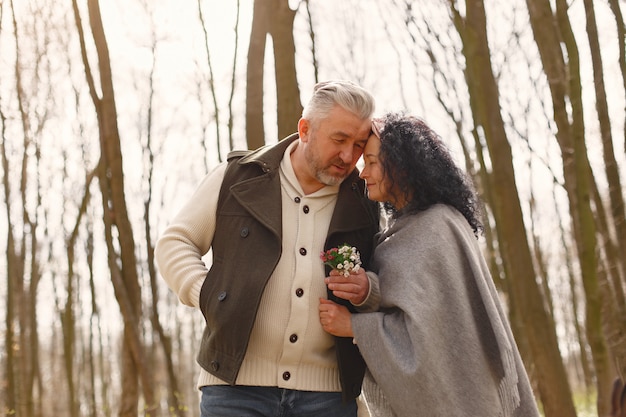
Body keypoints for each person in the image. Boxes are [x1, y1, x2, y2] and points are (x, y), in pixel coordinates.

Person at [154, 80, 380, 417]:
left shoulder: (365, 201)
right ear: (305, 129)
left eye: (359, 144)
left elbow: (387, 277)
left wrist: (368, 290)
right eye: (339, 140)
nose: (349, 156)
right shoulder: (236, 178)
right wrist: (208, 293)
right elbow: (175, 243)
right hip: (233, 390)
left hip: (329, 397)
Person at [319, 112, 541, 417]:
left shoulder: (438, 228)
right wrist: (367, 291)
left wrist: (353, 326)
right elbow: (410, 301)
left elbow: (430, 339)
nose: (362, 173)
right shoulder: (399, 233)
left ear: (400, 166)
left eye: (371, 162)